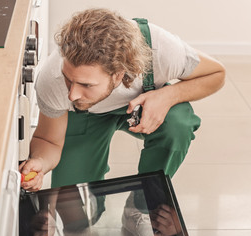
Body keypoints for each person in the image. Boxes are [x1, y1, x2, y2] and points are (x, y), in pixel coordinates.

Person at [19, 8, 225, 192]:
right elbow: (49, 140)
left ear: (119, 74)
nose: (72, 94)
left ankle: (142, 207)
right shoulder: (52, 79)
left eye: (86, 85)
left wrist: (167, 95)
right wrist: (40, 163)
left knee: (178, 124)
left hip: (141, 104)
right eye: (68, 79)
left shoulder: (161, 50)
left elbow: (217, 74)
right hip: (84, 115)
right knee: (74, 210)